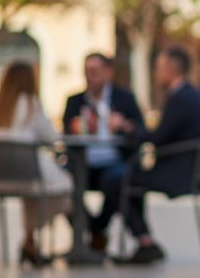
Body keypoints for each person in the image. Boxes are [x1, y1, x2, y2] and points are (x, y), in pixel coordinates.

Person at [109, 46, 200, 265]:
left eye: (158, 68)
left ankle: (143, 241)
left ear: (170, 70)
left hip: (181, 173)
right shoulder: (194, 94)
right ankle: (140, 239)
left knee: (120, 179)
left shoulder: (180, 98)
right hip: (196, 169)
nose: (156, 74)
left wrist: (126, 128)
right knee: (127, 176)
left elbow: (158, 138)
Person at [0, 62, 72, 266]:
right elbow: (53, 138)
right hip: (25, 172)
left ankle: (29, 242)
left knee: (32, 191)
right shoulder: (30, 104)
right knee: (61, 189)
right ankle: (33, 239)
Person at [62, 52, 145, 253]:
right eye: (87, 72)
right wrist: (75, 128)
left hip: (114, 160)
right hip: (82, 161)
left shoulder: (124, 98)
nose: (90, 77)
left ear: (108, 72)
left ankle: (97, 230)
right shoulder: (75, 101)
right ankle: (93, 232)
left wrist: (124, 126)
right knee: (61, 182)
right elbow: (65, 137)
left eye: (95, 72)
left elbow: (142, 132)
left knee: (116, 180)